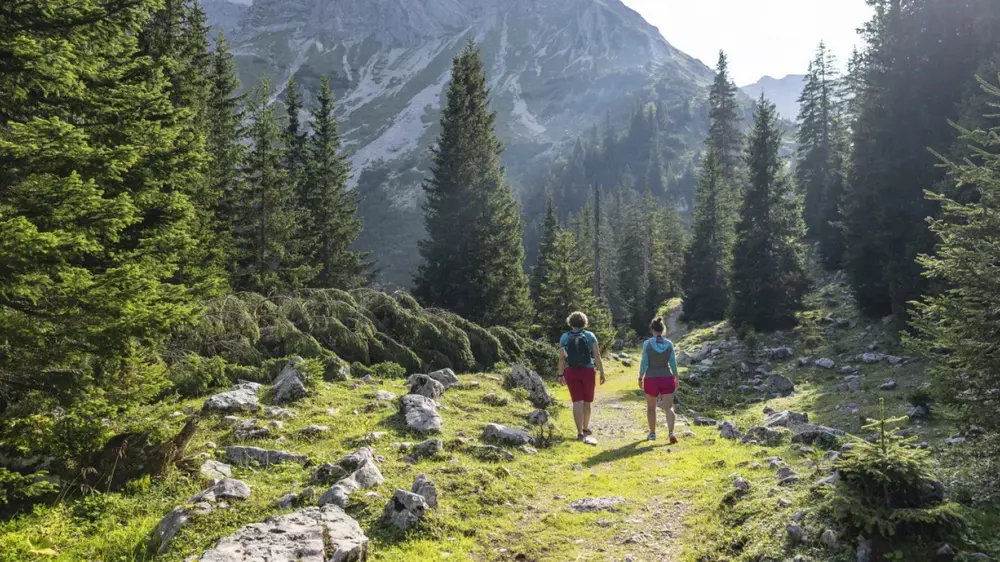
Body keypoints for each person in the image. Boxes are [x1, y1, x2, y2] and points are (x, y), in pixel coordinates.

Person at [557, 311, 606, 445]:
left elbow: (561, 359)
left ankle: (579, 432)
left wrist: (560, 374)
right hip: (588, 371)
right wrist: (601, 371)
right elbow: (597, 355)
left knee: (577, 401)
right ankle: (585, 428)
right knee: (587, 401)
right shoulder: (590, 336)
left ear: (570, 322)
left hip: (571, 371)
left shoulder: (564, 337)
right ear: (584, 322)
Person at [638, 316, 679, 443]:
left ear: (652, 330)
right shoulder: (669, 344)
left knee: (651, 407)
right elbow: (672, 362)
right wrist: (676, 376)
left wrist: (640, 377)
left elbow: (644, 362)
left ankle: (652, 434)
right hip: (666, 377)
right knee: (669, 407)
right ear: (663, 329)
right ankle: (671, 432)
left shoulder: (647, 344)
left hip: (651, 378)